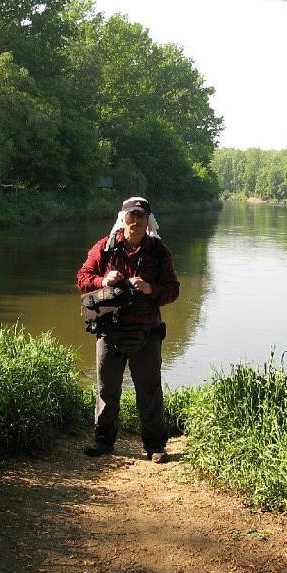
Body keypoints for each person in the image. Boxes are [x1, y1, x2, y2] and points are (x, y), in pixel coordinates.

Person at [76, 197, 180, 463]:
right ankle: (103, 442)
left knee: (149, 391)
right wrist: (103, 279)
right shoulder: (104, 248)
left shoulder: (159, 251)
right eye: (131, 216)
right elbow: (82, 278)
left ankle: (155, 447)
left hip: (147, 334)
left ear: (148, 220)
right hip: (109, 332)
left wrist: (150, 289)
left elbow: (173, 290)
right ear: (123, 218)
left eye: (141, 216)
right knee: (106, 391)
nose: (135, 221)